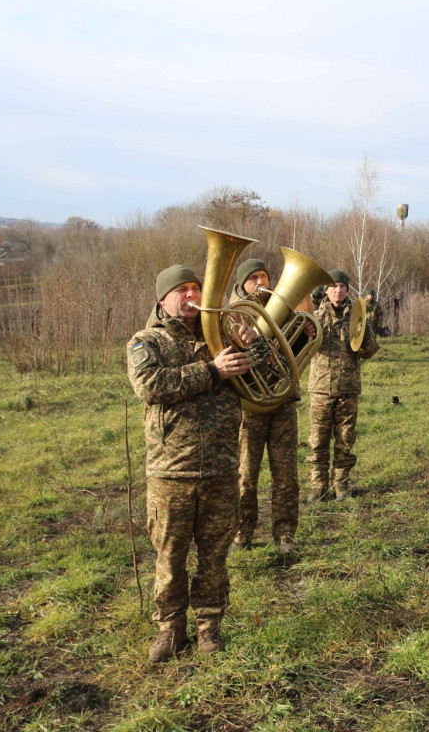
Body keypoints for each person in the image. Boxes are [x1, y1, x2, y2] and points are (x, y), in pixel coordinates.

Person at [127, 265, 253, 662]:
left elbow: (267, 376)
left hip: (220, 467)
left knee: (214, 555)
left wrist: (254, 345)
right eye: (181, 290)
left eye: (196, 288)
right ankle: (169, 630)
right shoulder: (147, 341)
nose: (190, 295)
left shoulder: (222, 336)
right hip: (170, 471)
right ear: (163, 298)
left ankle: (209, 629)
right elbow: (150, 386)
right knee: (170, 555)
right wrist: (211, 370)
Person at [229, 259, 300, 555]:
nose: (261, 282)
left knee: (286, 474)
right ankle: (242, 534)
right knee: (246, 475)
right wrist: (260, 347)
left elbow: (294, 354)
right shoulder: (232, 314)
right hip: (250, 404)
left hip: (281, 401)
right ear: (242, 282)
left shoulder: (280, 308)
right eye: (254, 278)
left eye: (265, 276)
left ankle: (284, 534)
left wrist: (300, 339)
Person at [305, 269, 379, 501]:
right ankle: (318, 487)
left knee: (345, 441)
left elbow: (369, 351)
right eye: (334, 286)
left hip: (348, 389)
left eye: (343, 287)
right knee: (318, 441)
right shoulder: (315, 317)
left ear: (347, 290)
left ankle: (341, 487)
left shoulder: (357, 316)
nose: (338, 290)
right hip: (320, 388)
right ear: (326, 290)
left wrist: (364, 331)